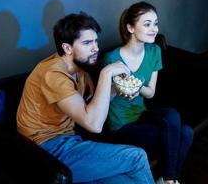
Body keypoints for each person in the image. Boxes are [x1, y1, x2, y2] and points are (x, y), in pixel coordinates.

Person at [16, 12, 155, 184]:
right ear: (67, 48)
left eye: (95, 41)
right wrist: (106, 73)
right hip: (45, 149)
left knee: (125, 180)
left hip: (70, 141)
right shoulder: (53, 74)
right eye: (87, 43)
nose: (96, 48)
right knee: (136, 157)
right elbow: (94, 124)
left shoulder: (80, 71)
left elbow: (90, 108)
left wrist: (116, 90)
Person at [102, 2, 193, 184]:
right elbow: (105, 98)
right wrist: (119, 87)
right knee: (178, 134)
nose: (154, 29)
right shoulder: (112, 58)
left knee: (182, 126)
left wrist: (137, 86)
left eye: (155, 23)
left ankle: (168, 178)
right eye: (147, 24)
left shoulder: (154, 51)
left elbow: (150, 93)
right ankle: (170, 180)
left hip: (141, 114)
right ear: (130, 28)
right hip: (121, 125)